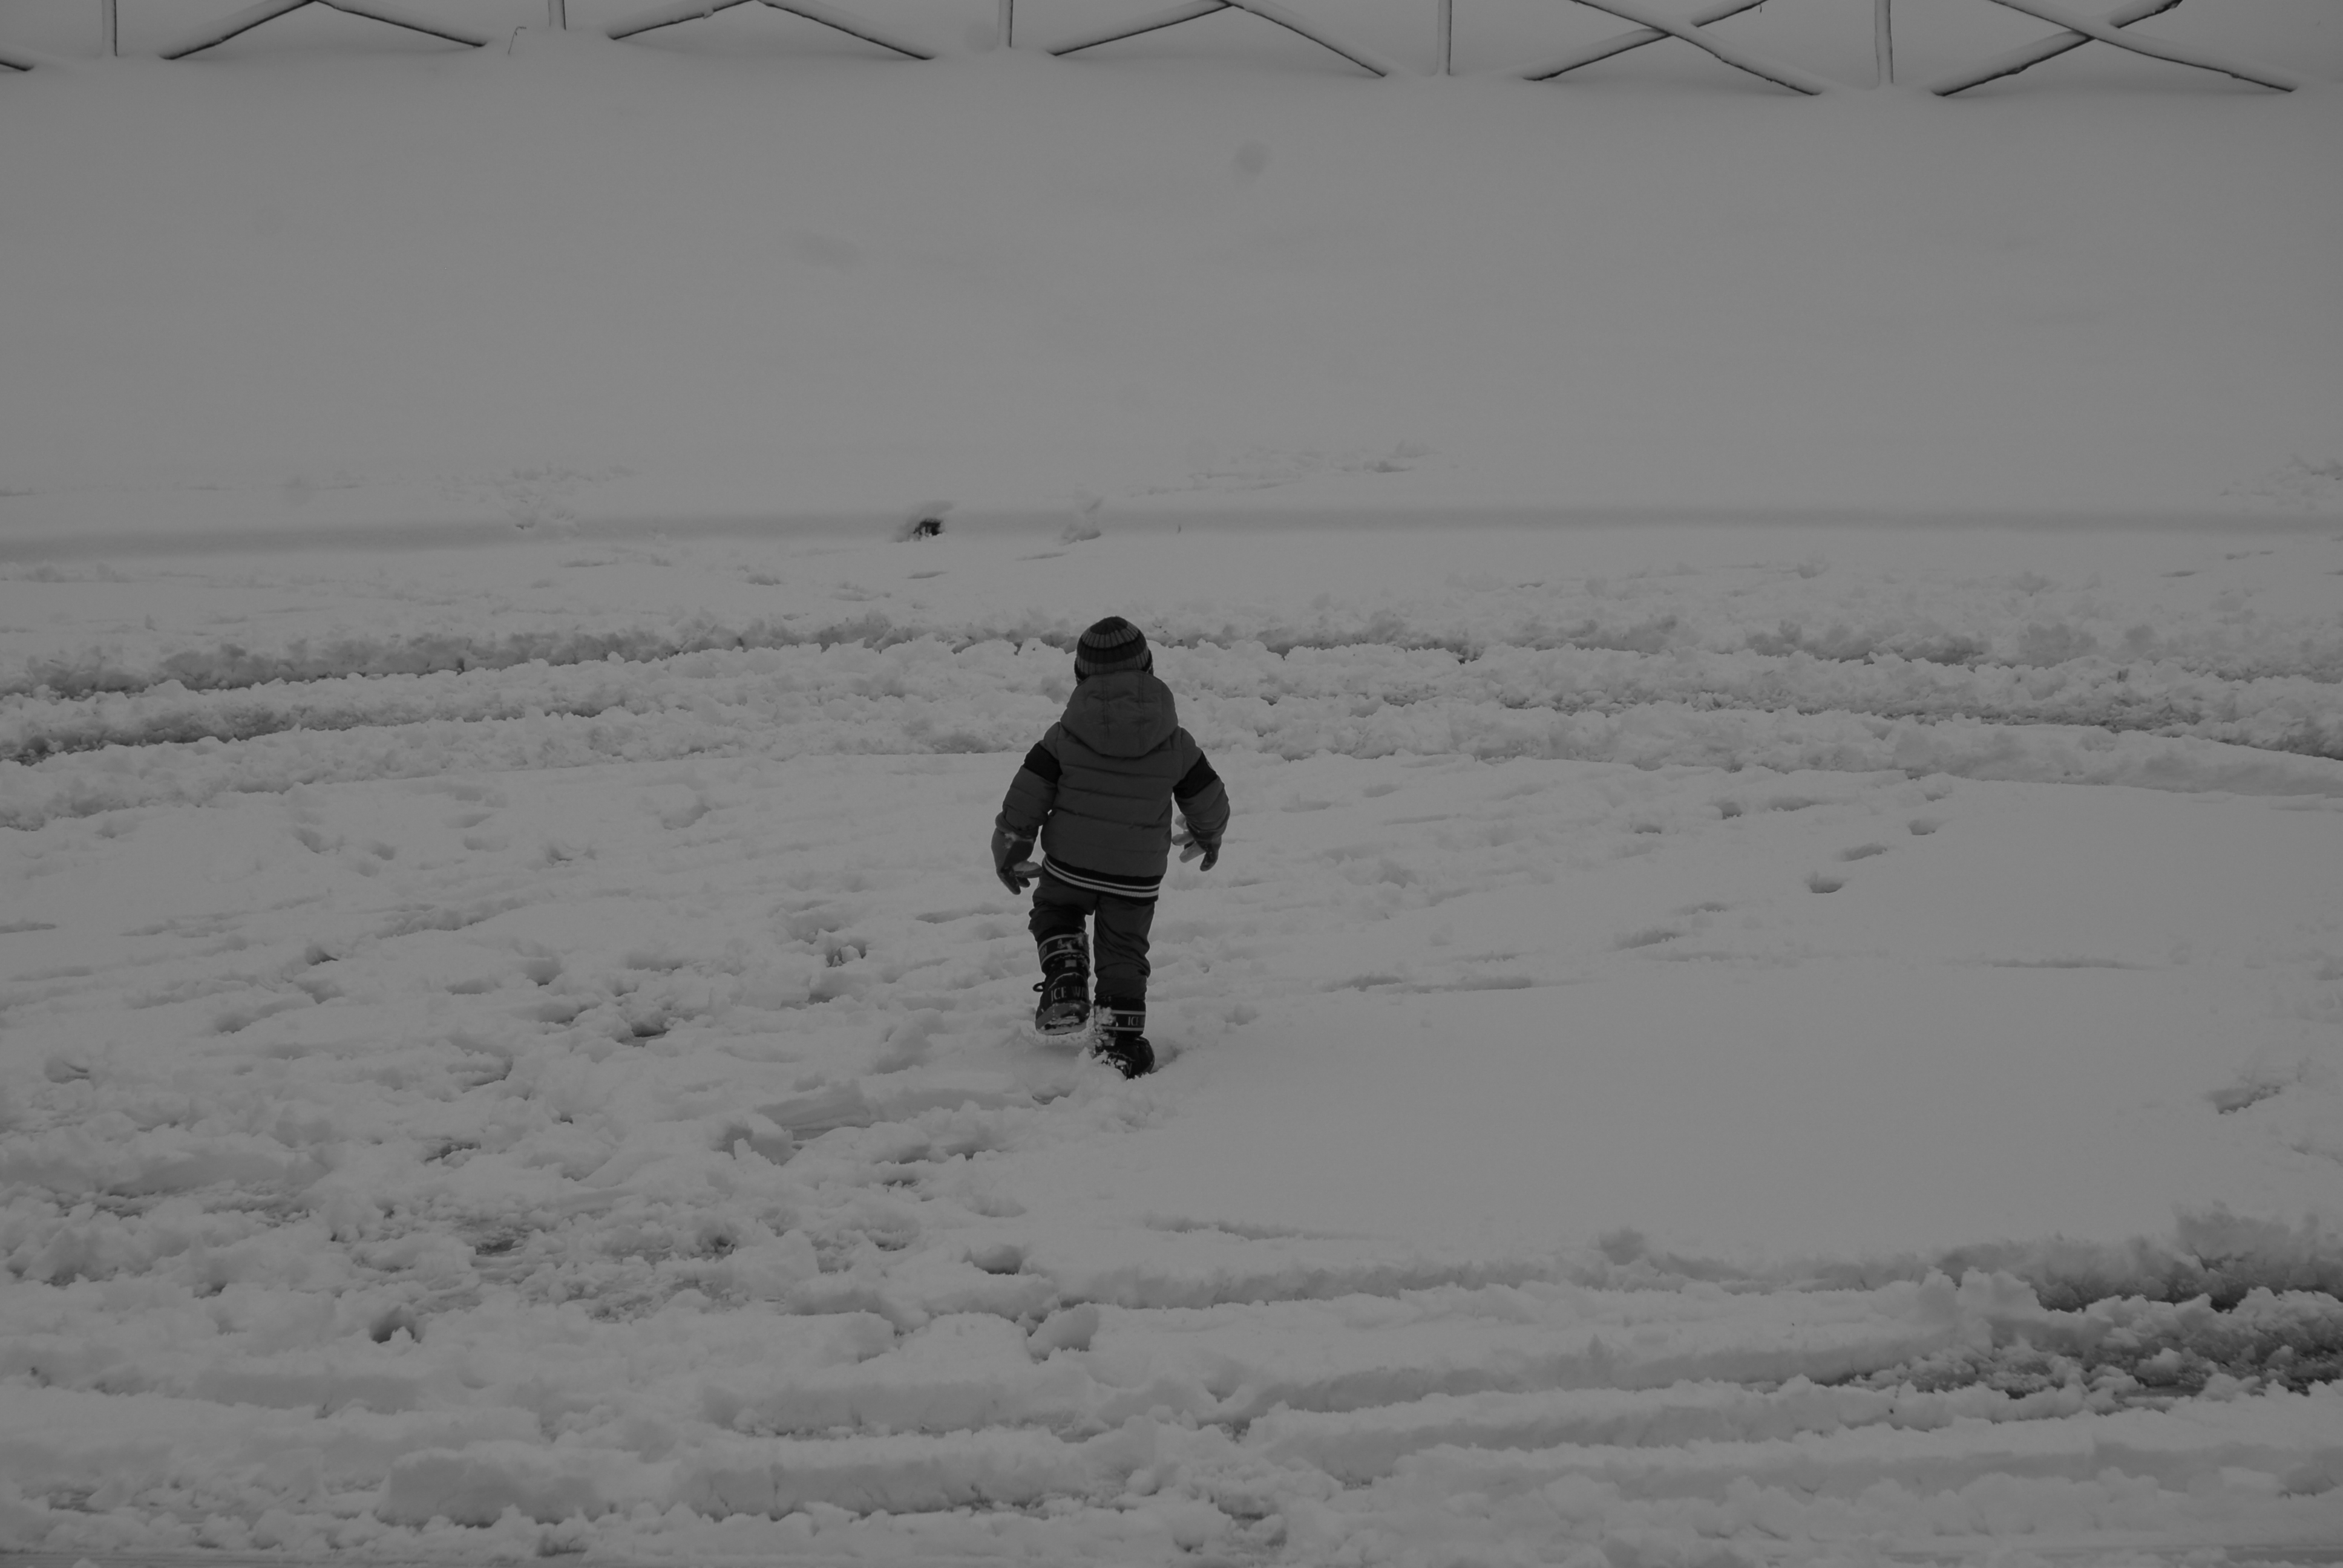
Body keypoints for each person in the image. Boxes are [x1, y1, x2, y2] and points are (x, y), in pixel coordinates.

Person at [991, 617, 1229, 1078]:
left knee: (1054, 912)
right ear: (1149, 668)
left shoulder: (1063, 735)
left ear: (1080, 677)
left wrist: (1011, 848)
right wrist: (1209, 834)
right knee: (1124, 952)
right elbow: (1208, 796)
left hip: (1070, 865)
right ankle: (1120, 1042)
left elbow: (1027, 796)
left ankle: (1065, 974)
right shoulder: (1175, 741)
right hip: (1135, 878)